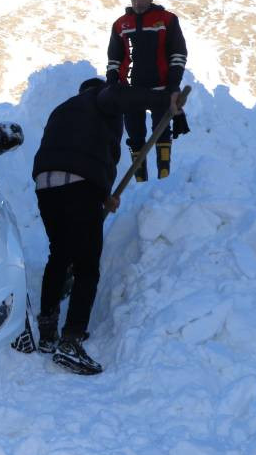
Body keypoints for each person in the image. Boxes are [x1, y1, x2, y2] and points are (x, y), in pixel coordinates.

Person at [32, 78, 177, 374]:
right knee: (87, 266)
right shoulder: (99, 99)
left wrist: (103, 197)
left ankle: (46, 330)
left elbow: (81, 151)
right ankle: (71, 341)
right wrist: (163, 101)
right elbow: (119, 96)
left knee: (59, 255)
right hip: (79, 186)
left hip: (45, 185)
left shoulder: (63, 110)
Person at [106, 0, 189, 181]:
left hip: (161, 88)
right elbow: (114, 59)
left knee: (161, 132)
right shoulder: (120, 24)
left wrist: (173, 86)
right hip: (130, 90)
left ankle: (164, 175)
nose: (138, 1)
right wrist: (112, 84)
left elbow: (178, 54)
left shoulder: (167, 20)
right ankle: (140, 178)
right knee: (135, 135)